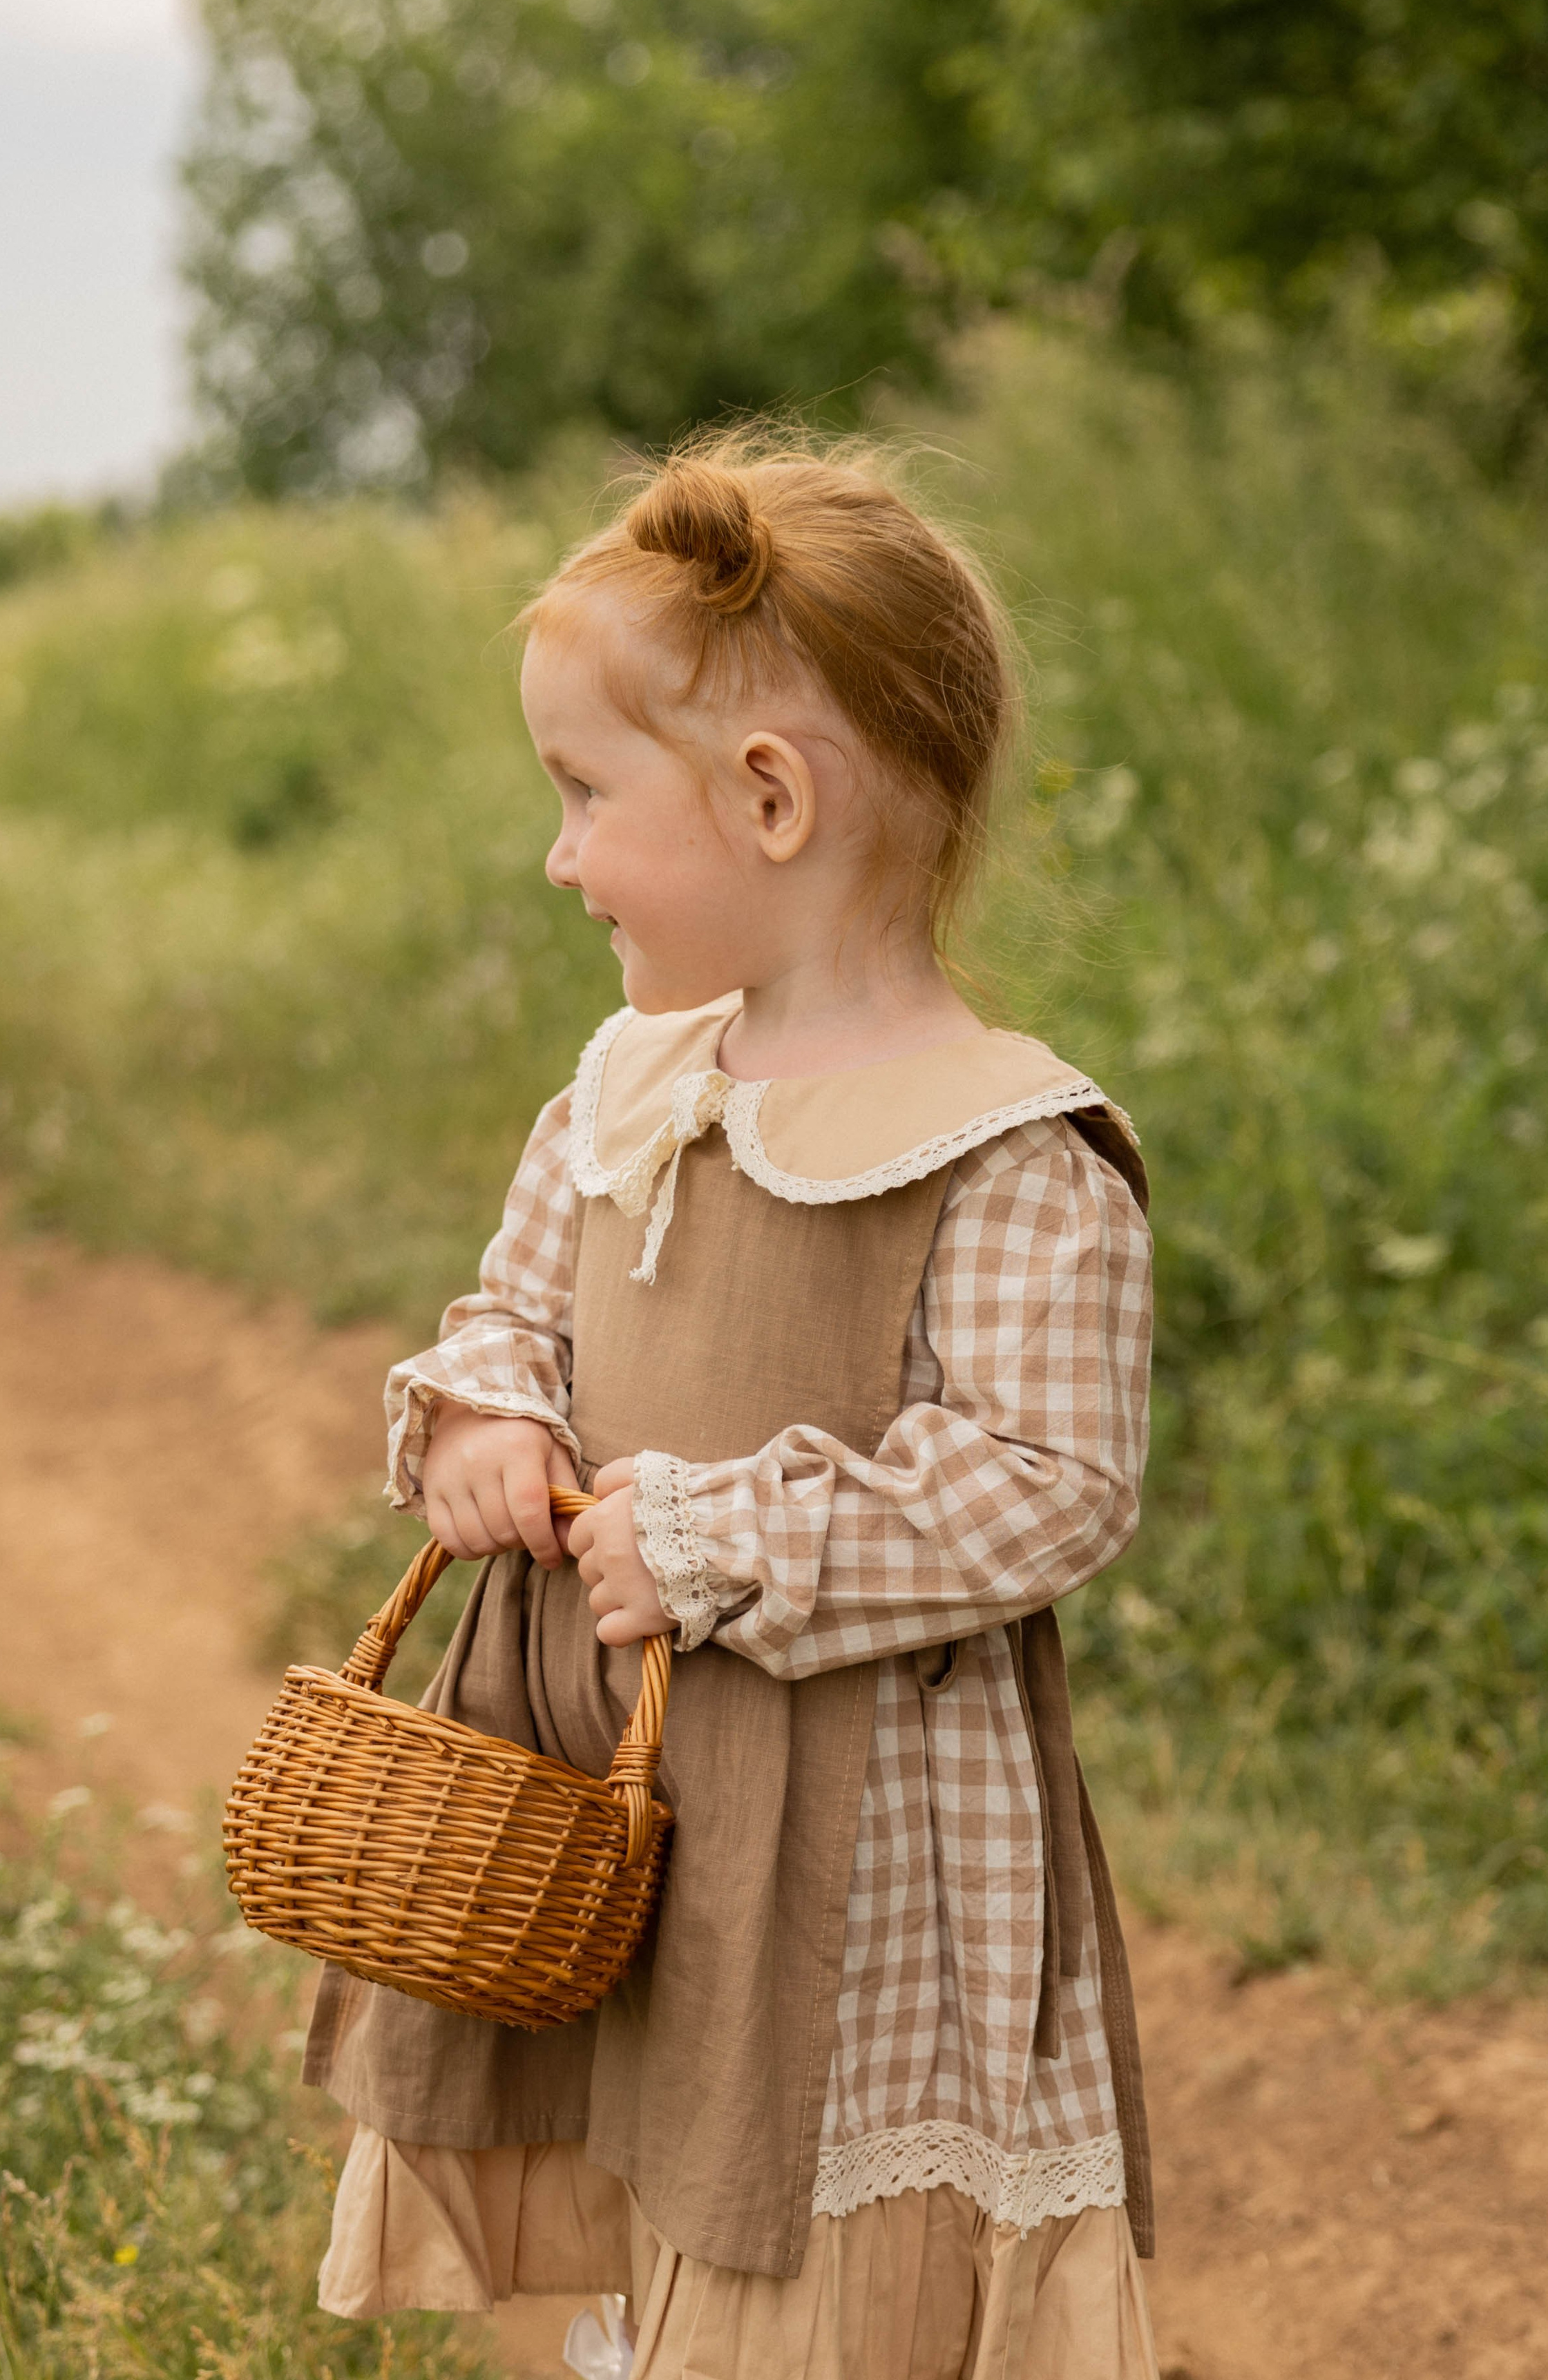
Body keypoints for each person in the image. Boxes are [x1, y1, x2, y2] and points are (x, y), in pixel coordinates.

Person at [305, 435, 1160, 2379]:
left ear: (771, 798)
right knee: (660, 2141)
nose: (559, 855)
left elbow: (1049, 1485)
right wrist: (483, 1427)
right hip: (620, 1804)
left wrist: (712, 1535)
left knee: (806, 2216)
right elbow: (513, 1310)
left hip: (852, 1860)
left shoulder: (1000, 1152)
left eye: (586, 796)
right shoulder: (625, 1089)